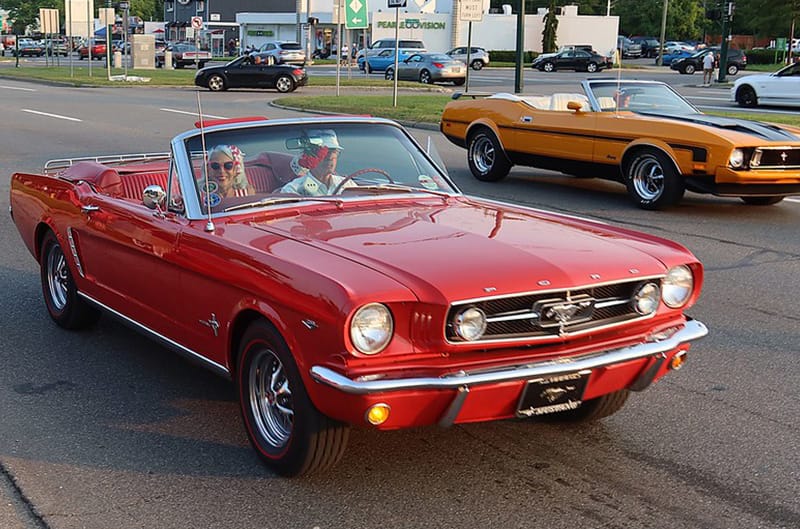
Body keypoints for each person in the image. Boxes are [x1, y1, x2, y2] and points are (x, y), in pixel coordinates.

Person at [279, 129, 355, 196]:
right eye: (324, 152)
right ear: (308, 156)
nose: (330, 156)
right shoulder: (293, 190)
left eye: (334, 151)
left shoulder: (347, 185)